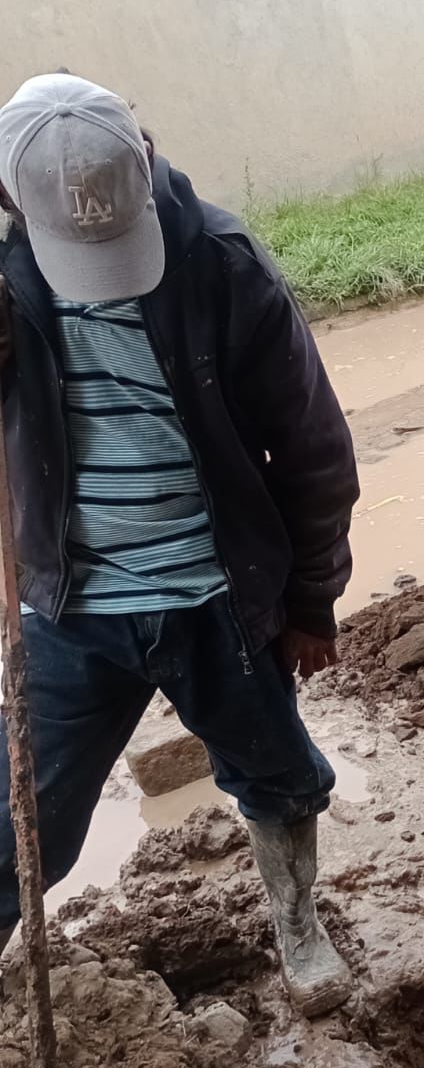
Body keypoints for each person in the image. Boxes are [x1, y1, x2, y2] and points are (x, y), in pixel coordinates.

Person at [0, 72, 359, 1017]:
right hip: (70, 608)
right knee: (20, 817)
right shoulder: (3, 280)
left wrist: (311, 601)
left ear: (145, 160)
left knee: (278, 775)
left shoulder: (223, 263)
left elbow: (316, 445)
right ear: (12, 201)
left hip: (216, 597)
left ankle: (296, 925)